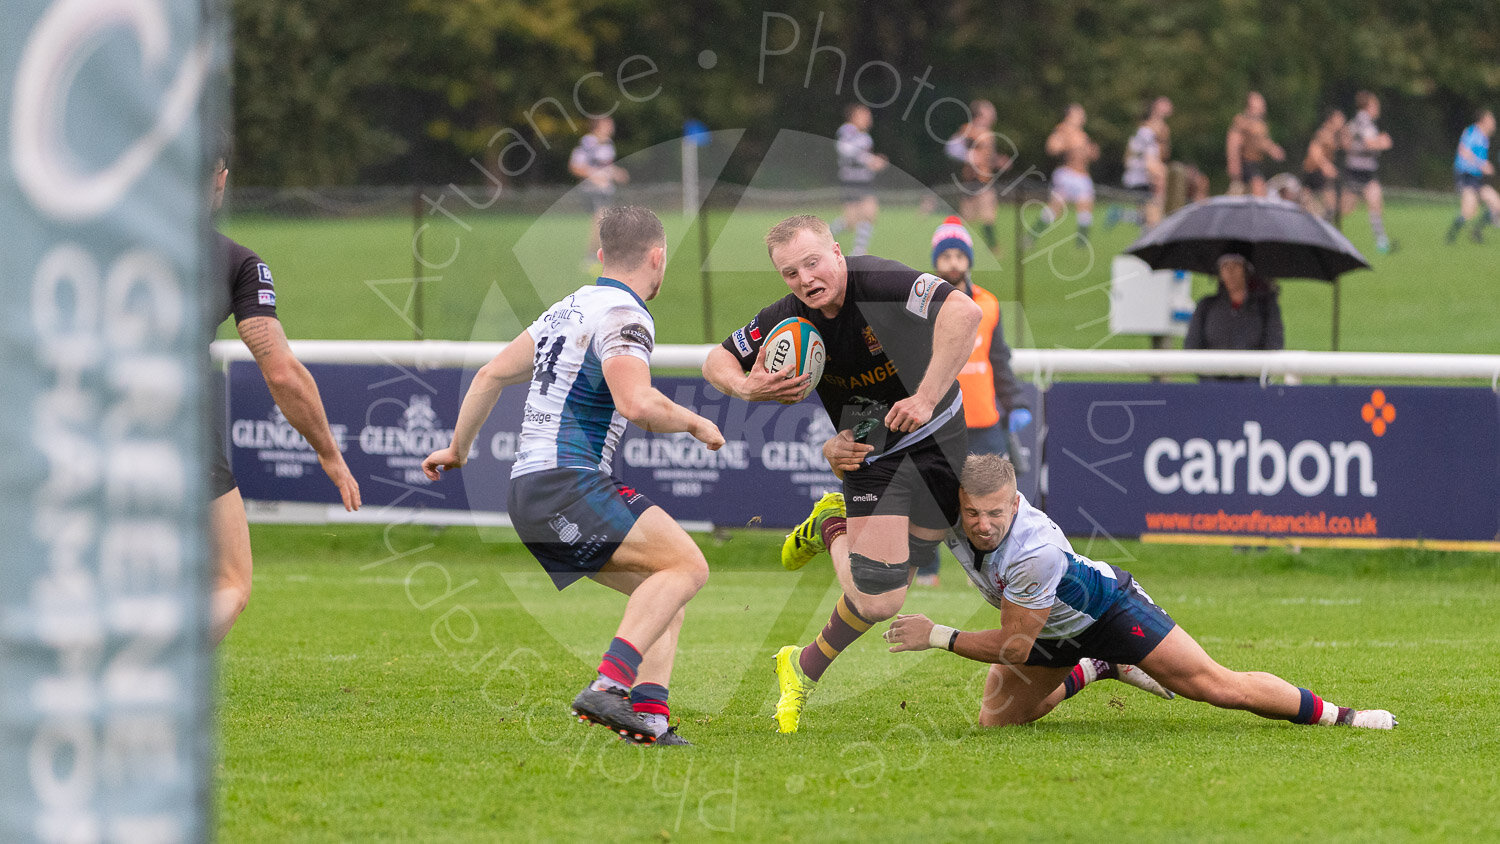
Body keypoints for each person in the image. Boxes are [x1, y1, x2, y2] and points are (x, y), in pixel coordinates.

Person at [421, 206, 723, 746]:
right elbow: (636, 403)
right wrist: (696, 422)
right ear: (658, 258)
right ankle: (610, 685)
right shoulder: (626, 316)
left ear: (602, 256)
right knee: (689, 565)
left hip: (528, 493)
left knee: (663, 593)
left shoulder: (567, 309)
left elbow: (489, 374)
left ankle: (649, 719)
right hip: (568, 482)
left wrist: (457, 449)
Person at [702, 214, 981, 733]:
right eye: (790, 272)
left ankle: (801, 665)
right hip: (868, 453)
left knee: (912, 562)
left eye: (812, 262)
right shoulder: (787, 318)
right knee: (881, 600)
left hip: (939, 435)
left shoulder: (880, 282)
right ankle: (834, 523)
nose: (805, 279)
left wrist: (923, 396)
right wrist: (747, 387)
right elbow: (716, 360)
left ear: (836, 251)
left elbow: (964, 312)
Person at [882, 454, 1397, 730]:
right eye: (973, 514)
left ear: (1016, 504)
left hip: (1107, 612)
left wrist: (937, 635)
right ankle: (1097, 668)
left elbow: (1015, 645)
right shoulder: (950, 510)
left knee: (1217, 687)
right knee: (997, 722)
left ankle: (1343, 716)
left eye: (996, 514)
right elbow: (888, 483)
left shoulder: (1032, 550)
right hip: (1047, 630)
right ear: (958, 503)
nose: (984, 525)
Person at [208, 139, 361, 645]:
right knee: (229, 582)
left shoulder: (92, 246)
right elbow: (282, 373)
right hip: (175, 427)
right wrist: (330, 453)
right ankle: (146, 681)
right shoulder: (236, 263)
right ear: (220, 179)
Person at [911, 217, 1031, 587]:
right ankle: (927, 571)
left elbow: (999, 359)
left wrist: (1014, 404)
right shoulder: (922, 306)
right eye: (944, 255)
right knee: (931, 496)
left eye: (958, 255)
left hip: (985, 419)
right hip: (938, 420)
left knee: (990, 501)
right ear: (936, 261)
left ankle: (988, 568)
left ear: (969, 260)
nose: (951, 263)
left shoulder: (989, 305)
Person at [1183, 253, 1284, 366]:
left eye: (1236, 265)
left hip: (1251, 380)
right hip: (1212, 380)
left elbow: (1274, 343)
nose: (1230, 271)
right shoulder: (1206, 306)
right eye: (1225, 266)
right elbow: (1192, 345)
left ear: (1246, 270)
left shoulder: (1265, 306)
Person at [944, 99, 1009, 254]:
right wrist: (969, 156)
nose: (993, 114)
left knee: (986, 213)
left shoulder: (987, 133)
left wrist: (998, 161)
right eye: (989, 111)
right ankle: (954, 243)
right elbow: (951, 148)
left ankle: (990, 247)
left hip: (985, 179)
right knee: (970, 217)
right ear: (980, 115)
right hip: (973, 180)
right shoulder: (970, 130)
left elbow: (986, 157)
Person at [1341, 91, 1396, 253]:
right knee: (1347, 208)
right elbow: (1369, 143)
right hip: (1358, 171)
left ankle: (1381, 242)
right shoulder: (1364, 121)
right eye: (1375, 105)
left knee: (1375, 202)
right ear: (1368, 106)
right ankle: (1324, 228)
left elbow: (1347, 141)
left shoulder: (1357, 121)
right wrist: (1383, 142)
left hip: (1361, 171)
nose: (1377, 108)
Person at [831, 104, 889, 256]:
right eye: (865, 115)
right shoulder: (847, 130)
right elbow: (845, 150)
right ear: (854, 116)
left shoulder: (865, 136)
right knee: (850, 222)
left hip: (864, 181)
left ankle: (859, 251)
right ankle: (825, 235)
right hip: (851, 181)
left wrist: (874, 162)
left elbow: (861, 157)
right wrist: (871, 160)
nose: (868, 119)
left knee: (869, 214)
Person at [569, 116, 629, 259]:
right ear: (598, 126)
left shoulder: (608, 144)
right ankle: (591, 256)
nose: (612, 127)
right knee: (600, 220)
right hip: (592, 190)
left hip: (606, 190)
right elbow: (575, 166)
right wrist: (594, 177)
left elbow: (605, 166)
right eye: (608, 124)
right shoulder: (588, 143)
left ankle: (600, 254)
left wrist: (617, 173)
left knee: (605, 221)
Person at [1042, 104, 1100, 244]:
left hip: (1082, 175)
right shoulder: (1063, 129)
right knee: (1056, 208)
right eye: (1079, 114)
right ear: (1069, 115)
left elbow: (1089, 154)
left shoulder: (1082, 134)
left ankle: (1081, 244)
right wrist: (1069, 145)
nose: (1082, 117)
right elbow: (1051, 147)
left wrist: (1091, 151)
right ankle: (1031, 236)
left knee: (1086, 207)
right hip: (1068, 174)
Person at [1116, 96, 1173, 230]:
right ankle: (1120, 215)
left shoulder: (1154, 132)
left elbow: (1162, 156)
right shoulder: (1146, 133)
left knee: (1148, 218)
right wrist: (1164, 175)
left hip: (1143, 177)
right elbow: (1150, 164)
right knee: (1152, 219)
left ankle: (1121, 215)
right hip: (1141, 178)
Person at [1446, 109, 1500, 245]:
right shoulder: (1472, 133)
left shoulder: (1485, 137)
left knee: (1496, 203)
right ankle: (1451, 236)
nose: (1494, 122)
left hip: (1477, 178)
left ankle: (1476, 231)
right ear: (1483, 121)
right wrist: (1481, 164)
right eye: (1491, 119)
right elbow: (1463, 151)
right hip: (1465, 176)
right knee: (1469, 210)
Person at [1226, 91, 1287, 198]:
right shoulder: (1242, 122)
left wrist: (1273, 149)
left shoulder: (1260, 125)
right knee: (1254, 188)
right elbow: (1233, 143)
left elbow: (1263, 142)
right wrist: (1234, 164)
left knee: (1251, 190)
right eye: (1259, 106)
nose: (1262, 109)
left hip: (1255, 164)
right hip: (1245, 163)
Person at [1300, 109, 1346, 220]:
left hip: (1316, 173)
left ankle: (1319, 222)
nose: (1342, 121)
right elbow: (1313, 150)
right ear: (1332, 119)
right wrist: (1326, 166)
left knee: (1308, 203)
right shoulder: (1324, 133)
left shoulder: (1334, 134)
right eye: (1339, 118)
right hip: (1314, 172)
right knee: (1327, 207)